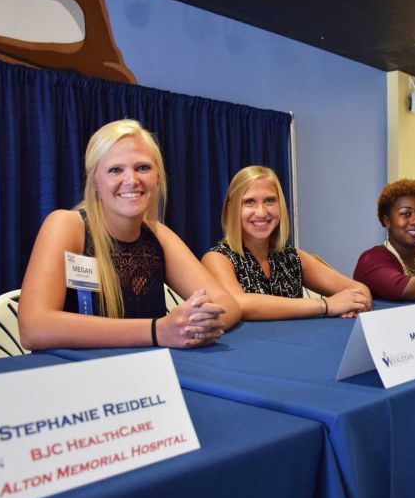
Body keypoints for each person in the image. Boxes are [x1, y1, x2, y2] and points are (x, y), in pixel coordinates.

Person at [18, 119, 241, 350]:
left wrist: (194, 325)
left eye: (143, 168)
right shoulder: (66, 225)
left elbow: (228, 304)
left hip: (146, 375)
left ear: (157, 177)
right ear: (95, 181)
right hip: (76, 375)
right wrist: (158, 331)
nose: (131, 180)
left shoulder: (159, 236)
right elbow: (33, 328)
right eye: (115, 170)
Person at [201, 166, 372, 320]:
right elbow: (239, 304)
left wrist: (355, 304)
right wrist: (325, 305)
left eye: (270, 201)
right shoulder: (217, 258)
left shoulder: (292, 256)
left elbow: (358, 289)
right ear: (231, 208)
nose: (261, 212)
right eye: (249, 202)